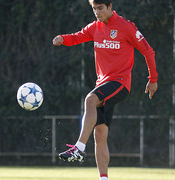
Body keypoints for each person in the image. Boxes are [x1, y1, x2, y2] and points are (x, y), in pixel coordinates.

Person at [53, 0, 158, 180]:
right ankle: (104, 178)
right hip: (103, 84)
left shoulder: (126, 27)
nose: (97, 12)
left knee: (90, 100)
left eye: (100, 8)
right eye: (94, 8)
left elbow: (148, 51)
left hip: (120, 83)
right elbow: (77, 37)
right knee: (100, 134)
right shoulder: (95, 27)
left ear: (110, 7)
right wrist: (63, 39)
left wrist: (153, 79)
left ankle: (78, 148)